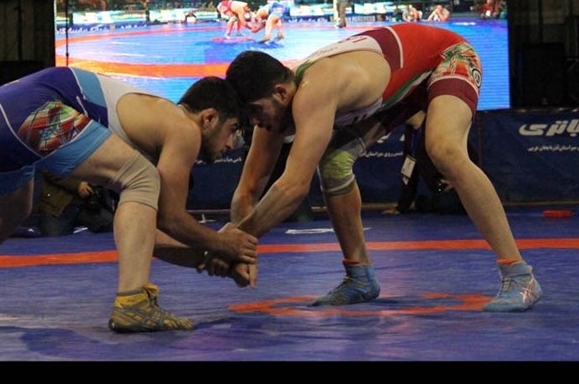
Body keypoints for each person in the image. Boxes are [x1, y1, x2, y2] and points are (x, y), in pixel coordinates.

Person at [222, 23, 542, 312]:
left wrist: (237, 240)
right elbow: (247, 190)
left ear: (280, 93)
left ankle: (519, 274)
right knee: (333, 162)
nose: (256, 123)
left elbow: (294, 186)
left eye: (256, 111)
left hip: (446, 56)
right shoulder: (273, 113)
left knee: (444, 149)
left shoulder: (316, 89)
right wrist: (241, 250)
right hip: (398, 88)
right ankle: (360, 277)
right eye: (249, 117)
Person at [0, 68, 258, 332]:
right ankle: (133, 302)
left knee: (6, 216)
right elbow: (171, 218)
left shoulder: (149, 131)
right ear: (208, 117)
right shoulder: (183, 127)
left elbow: (145, 235)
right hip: (30, 109)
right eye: (232, 130)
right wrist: (222, 244)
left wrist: (208, 257)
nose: (231, 145)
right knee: (141, 177)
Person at [38, 171, 113, 236]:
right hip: (57, 206)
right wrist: (77, 184)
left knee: (111, 224)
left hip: (88, 203)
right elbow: (48, 169)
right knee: (53, 243)